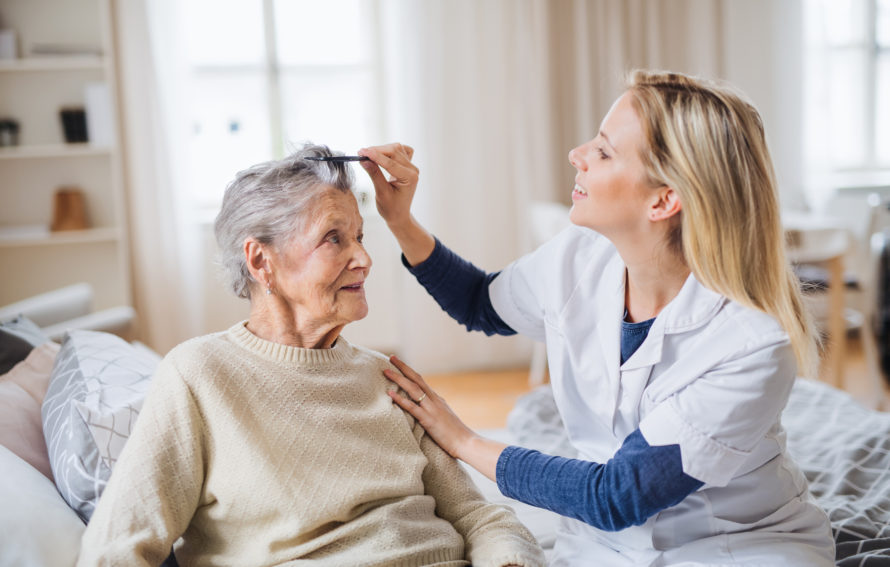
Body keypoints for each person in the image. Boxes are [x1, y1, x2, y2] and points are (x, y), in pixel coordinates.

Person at [357, 70, 836, 566]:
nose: (577, 154)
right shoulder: (579, 256)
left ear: (663, 200)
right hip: (602, 544)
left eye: (604, 151)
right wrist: (400, 220)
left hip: (734, 545)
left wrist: (462, 439)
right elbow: (481, 303)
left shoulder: (753, 344)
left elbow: (615, 496)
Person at [77, 144, 546, 567]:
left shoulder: (386, 376)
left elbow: (479, 515)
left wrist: (509, 561)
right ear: (262, 262)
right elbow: (118, 549)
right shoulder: (199, 375)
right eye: (334, 238)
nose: (364, 258)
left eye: (360, 236)